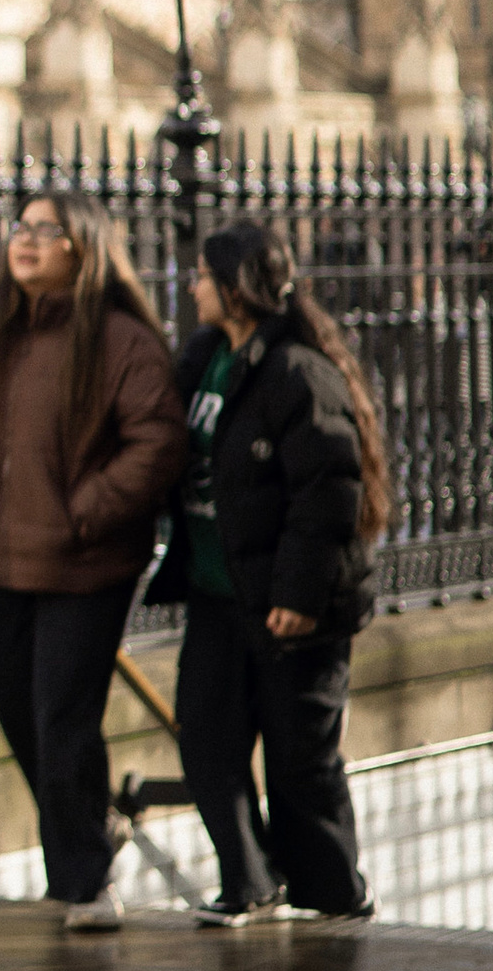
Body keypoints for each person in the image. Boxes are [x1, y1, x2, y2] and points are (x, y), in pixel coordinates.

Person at [0, 187, 186, 933]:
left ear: (82, 247)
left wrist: (85, 510)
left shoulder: (122, 342)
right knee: (17, 710)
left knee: (62, 714)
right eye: (21, 227)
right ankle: (91, 839)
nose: (26, 240)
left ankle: (82, 882)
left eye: (46, 230)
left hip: (86, 564)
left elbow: (156, 441)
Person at [150, 220, 384, 927]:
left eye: (200, 276)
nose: (190, 286)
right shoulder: (203, 359)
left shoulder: (296, 371)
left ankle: (334, 900)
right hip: (220, 593)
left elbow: (331, 489)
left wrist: (299, 595)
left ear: (235, 287)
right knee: (206, 737)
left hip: (292, 605)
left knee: (299, 761)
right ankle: (249, 881)